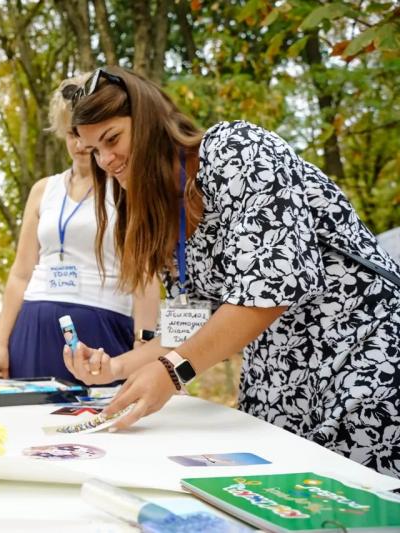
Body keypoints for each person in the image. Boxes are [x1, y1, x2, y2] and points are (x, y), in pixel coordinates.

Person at [65, 66, 400, 477]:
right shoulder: (163, 212)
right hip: (282, 385)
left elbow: (272, 288)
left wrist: (172, 372)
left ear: (150, 120)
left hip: (363, 362)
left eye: (113, 138)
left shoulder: (235, 149)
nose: (106, 160)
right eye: (94, 150)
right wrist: (118, 367)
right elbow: (190, 326)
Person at [0, 74, 160, 383]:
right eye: (72, 134)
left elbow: (144, 275)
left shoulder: (125, 185)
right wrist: (0, 345)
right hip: (33, 328)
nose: (81, 145)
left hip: (103, 328)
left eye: (87, 135)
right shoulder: (43, 190)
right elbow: (20, 273)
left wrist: (143, 347)